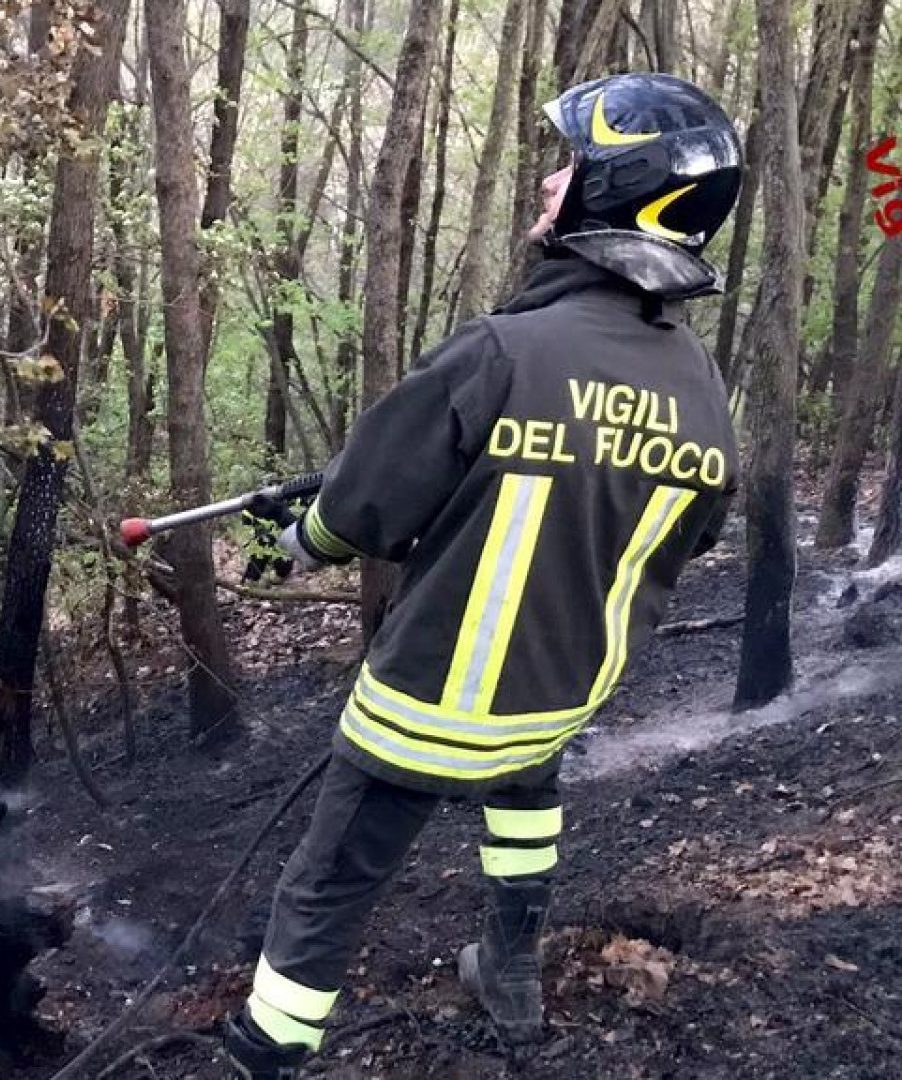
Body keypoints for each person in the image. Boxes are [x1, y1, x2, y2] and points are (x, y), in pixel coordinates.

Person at [223, 73, 746, 1078]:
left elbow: (363, 510)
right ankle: (509, 976)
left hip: (428, 704)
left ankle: (269, 1045)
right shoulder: (701, 392)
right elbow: (690, 529)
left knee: (330, 882)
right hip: (555, 700)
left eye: (571, 166)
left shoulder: (504, 350)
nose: (549, 182)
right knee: (525, 800)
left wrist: (297, 543)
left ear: (618, 193)